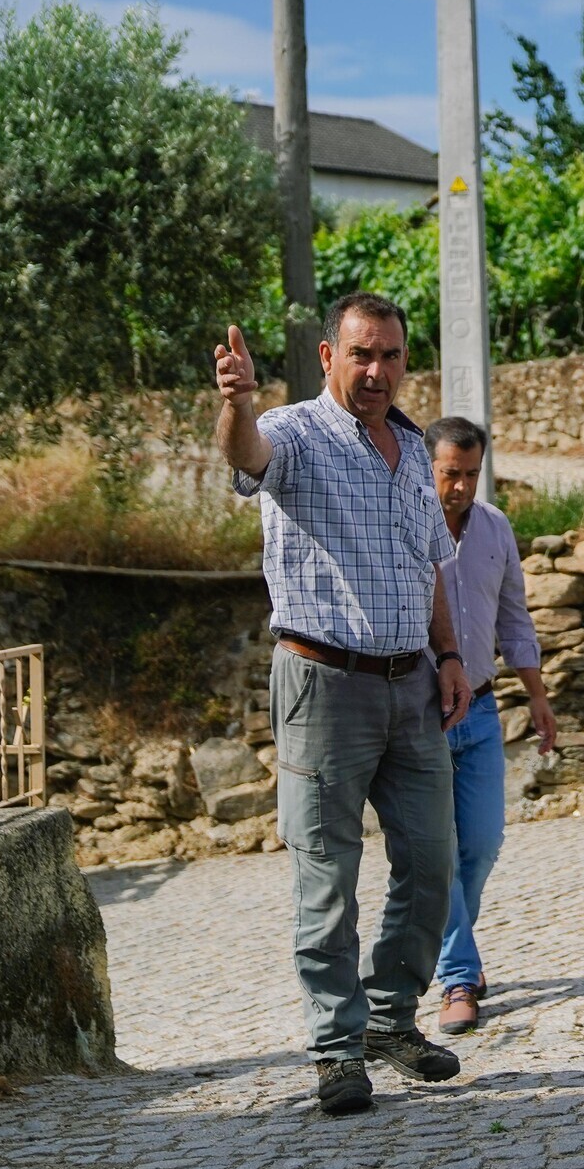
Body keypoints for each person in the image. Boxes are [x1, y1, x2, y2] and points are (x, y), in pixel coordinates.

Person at [214, 293, 473, 1118]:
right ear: (329, 356)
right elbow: (245, 455)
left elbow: (430, 565)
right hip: (323, 685)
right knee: (327, 875)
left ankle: (391, 1020)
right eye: (361, 354)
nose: (376, 371)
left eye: (390, 355)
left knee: (432, 863)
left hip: (411, 685)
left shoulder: (413, 446)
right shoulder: (291, 433)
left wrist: (450, 655)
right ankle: (336, 1048)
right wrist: (236, 402)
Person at [424, 416, 559, 1036]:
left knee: (481, 843)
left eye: (471, 474)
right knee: (440, 851)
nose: (460, 487)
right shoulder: (406, 525)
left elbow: (514, 619)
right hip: (420, 714)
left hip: (479, 708)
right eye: (450, 473)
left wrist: (537, 697)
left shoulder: (496, 527)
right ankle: (458, 976)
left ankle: (450, 948)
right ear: (427, 467)